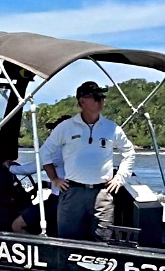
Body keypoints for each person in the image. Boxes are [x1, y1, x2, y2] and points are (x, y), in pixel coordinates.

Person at [38, 82, 135, 241]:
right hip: (72, 191)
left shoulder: (112, 128)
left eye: (102, 97)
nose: (101, 101)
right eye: (96, 98)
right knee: (67, 240)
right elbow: (45, 152)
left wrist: (120, 178)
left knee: (103, 241)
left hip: (102, 193)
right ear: (82, 102)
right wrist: (54, 179)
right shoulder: (65, 127)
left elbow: (129, 152)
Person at [10, 114, 72, 234]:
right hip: (71, 198)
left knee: (18, 225)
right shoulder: (76, 151)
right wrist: (47, 184)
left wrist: (9, 168)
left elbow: (33, 168)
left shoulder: (58, 150)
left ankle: (35, 251)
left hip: (58, 200)